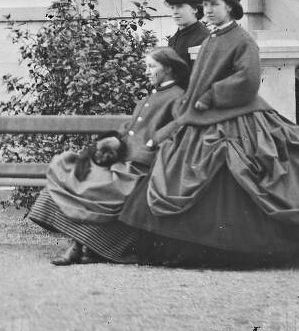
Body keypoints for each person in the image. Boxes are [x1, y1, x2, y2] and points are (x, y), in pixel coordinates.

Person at [113, 0, 299, 266]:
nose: (208, 10)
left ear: (230, 7)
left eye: (215, 5)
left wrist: (211, 96)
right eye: (205, 5)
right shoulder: (210, 40)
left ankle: (228, 250)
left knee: (240, 173)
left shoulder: (242, 40)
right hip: (202, 116)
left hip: (237, 117)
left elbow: (247, 80)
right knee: (177, 168)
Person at [28, 47, 190, 266]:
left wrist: (154, 141)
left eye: (152, 66)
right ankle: (82, 246)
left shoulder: (178, 97)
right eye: (146, 66)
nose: (146, 71)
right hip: (123, 158)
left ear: (169, 69)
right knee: (73, 172)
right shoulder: (153, 94)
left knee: (95, 187)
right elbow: (132, 127)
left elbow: (182, 124)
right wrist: (113, 138)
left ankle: (78, 247)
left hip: (140, 166)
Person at [164, 0, 210, 68]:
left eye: (180, 6)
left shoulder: (204, 38)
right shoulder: (173, 40)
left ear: (194, 9)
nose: (175, 12)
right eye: (172, 7)